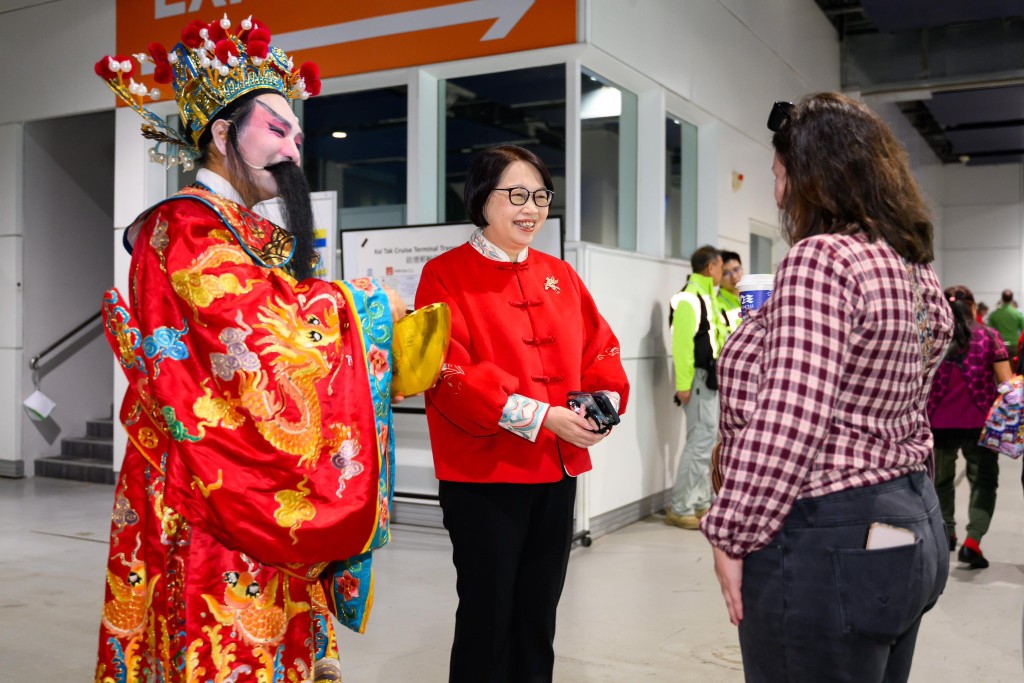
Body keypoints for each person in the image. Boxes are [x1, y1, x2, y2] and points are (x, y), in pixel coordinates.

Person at [93, 15, 408, 681]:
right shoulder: (186, 229)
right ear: (220, 133)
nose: (295, 146)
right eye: (277, 127)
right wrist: (367, 310)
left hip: (235, 478)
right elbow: (264, 334)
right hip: (205, 494)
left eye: (298, 131)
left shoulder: (232, 233)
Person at [702, 93, 954, 683]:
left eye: (780, 174)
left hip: (829, 533)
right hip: (911, 517)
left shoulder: (822, 260)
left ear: (816, 176)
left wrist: (730, 530)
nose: (777, 191)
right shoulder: (913, 266)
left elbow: (792, 417)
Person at [415, 145, 629, 682]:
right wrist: (541, 416)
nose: (529, 208)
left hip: (556, 471)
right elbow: (446, 373)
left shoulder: (561, 275)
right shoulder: (443, 276)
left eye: (539, 196)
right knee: (488, 614)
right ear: (482, 201)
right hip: (483, 476)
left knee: (539, 612)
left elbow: (601, 350)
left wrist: (601, 410)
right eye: (515, 195)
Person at [927, 285, 1011, 568]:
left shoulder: (931, 336)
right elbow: (1007, 384)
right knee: (984, 482)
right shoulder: (989, 336)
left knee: (940, 481)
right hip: (980, 425)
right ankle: (973, 541)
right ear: (974, 307)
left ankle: (945, 531)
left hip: (937, 424)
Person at [666, 245, 727, 529]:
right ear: (709, 267)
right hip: (698, 382)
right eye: (719, 267)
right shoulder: (690, 298)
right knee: (699, 444)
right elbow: (682, 346)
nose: (722, 272)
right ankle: (680, 506)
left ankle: (701, 501)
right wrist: (684, 384)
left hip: (708, 381)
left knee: (705, 443)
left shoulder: (705, 296)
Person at [987, 289, 1024, 358]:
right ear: (1011, 299)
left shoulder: (994, 314)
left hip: (999, 345)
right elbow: (1023, 330)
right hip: (1014, 345)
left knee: (1000, 366)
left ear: (1002, 298)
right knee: (1013, 366)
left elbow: (988, 331)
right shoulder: (1017, 314)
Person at [718, 250, 744, 332]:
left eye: (736, 269)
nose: (734, 276)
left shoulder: (751, 298)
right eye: (726, 273)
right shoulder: (716, 305)